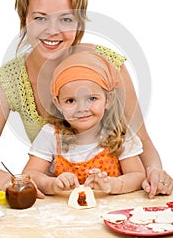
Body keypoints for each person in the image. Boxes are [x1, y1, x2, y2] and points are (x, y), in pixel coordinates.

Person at [0, 0, 173, 198]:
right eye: (40, 18)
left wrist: (154, 172)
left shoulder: (109, 65)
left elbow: (141, 141)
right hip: (56, 204)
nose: (52, 31)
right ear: (24, 21)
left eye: (66, 19)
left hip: (115, 203)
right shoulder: (11, 78)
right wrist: (16, 182)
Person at [23, 50, 146, 195]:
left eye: (92, 98)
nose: (82, 109)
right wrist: (52, 184)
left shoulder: (119, 134)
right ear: (58, 104)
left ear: (108, 99)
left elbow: (137, 175)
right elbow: (30, 174)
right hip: (63, 215)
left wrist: (112, 184)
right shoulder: (51, 134)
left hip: (109, 215)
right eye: (70, 101)